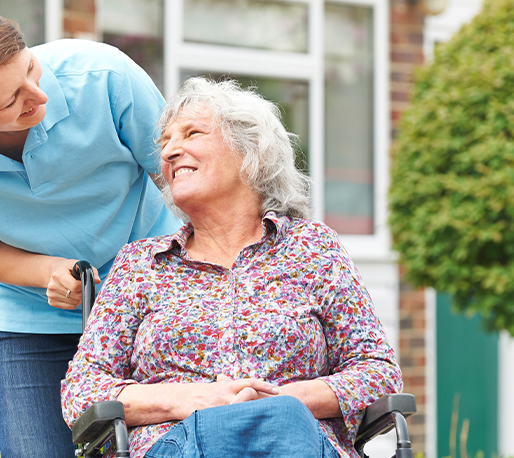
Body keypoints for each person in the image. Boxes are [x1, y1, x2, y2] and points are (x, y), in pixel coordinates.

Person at [0, 0, 182, 456]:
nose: (38, 95)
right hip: (29, 324)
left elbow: (184, 182)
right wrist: (46, 273)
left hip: (152, 303)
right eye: (11, 100)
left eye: (29, 68)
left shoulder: (104, 77)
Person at [61, 77, 402, 458]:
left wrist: (279, 401)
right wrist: (191, 399)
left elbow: (378, 373)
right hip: (178, 443)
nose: (171, 151)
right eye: (165, 143)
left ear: (250, 151)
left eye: (192, 133)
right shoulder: (140, 265)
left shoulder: (312, 249)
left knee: (282, 421)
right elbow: (82, 388)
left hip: (296, 440)